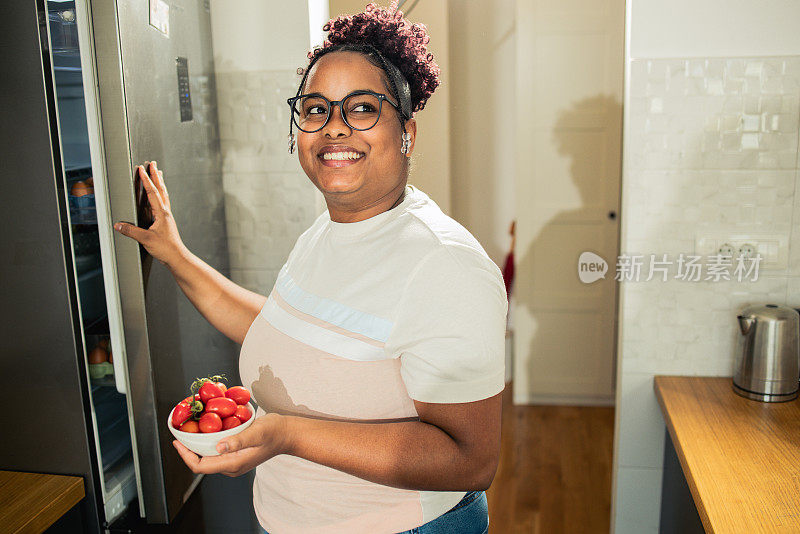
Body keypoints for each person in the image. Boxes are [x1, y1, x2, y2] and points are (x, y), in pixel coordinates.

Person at [113, 3, 506, 533]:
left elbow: (471, 459)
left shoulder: (445, 265)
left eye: (363, 108)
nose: (335, 129)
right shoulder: (326, 230)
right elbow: (279, 330)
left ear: (407, 130)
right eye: (316, 109)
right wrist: (174, 254)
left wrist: (284, 434)